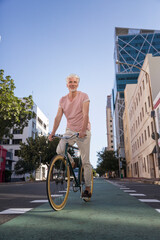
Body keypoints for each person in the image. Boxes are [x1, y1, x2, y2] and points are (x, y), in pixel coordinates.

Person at [48, 74, 92, 199]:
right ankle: (72, 162)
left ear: (77, 84)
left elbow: (85, 114)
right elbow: (58, 117)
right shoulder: (62, 100)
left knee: (85, 161)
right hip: (70, 130)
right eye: (70, 82)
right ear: (67, 84)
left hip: (83, 130)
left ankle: (87, 188)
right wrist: (52, 132)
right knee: (60, 150)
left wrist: (83, 130)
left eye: (74, 82)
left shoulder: (84, 96)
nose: (72, 84)